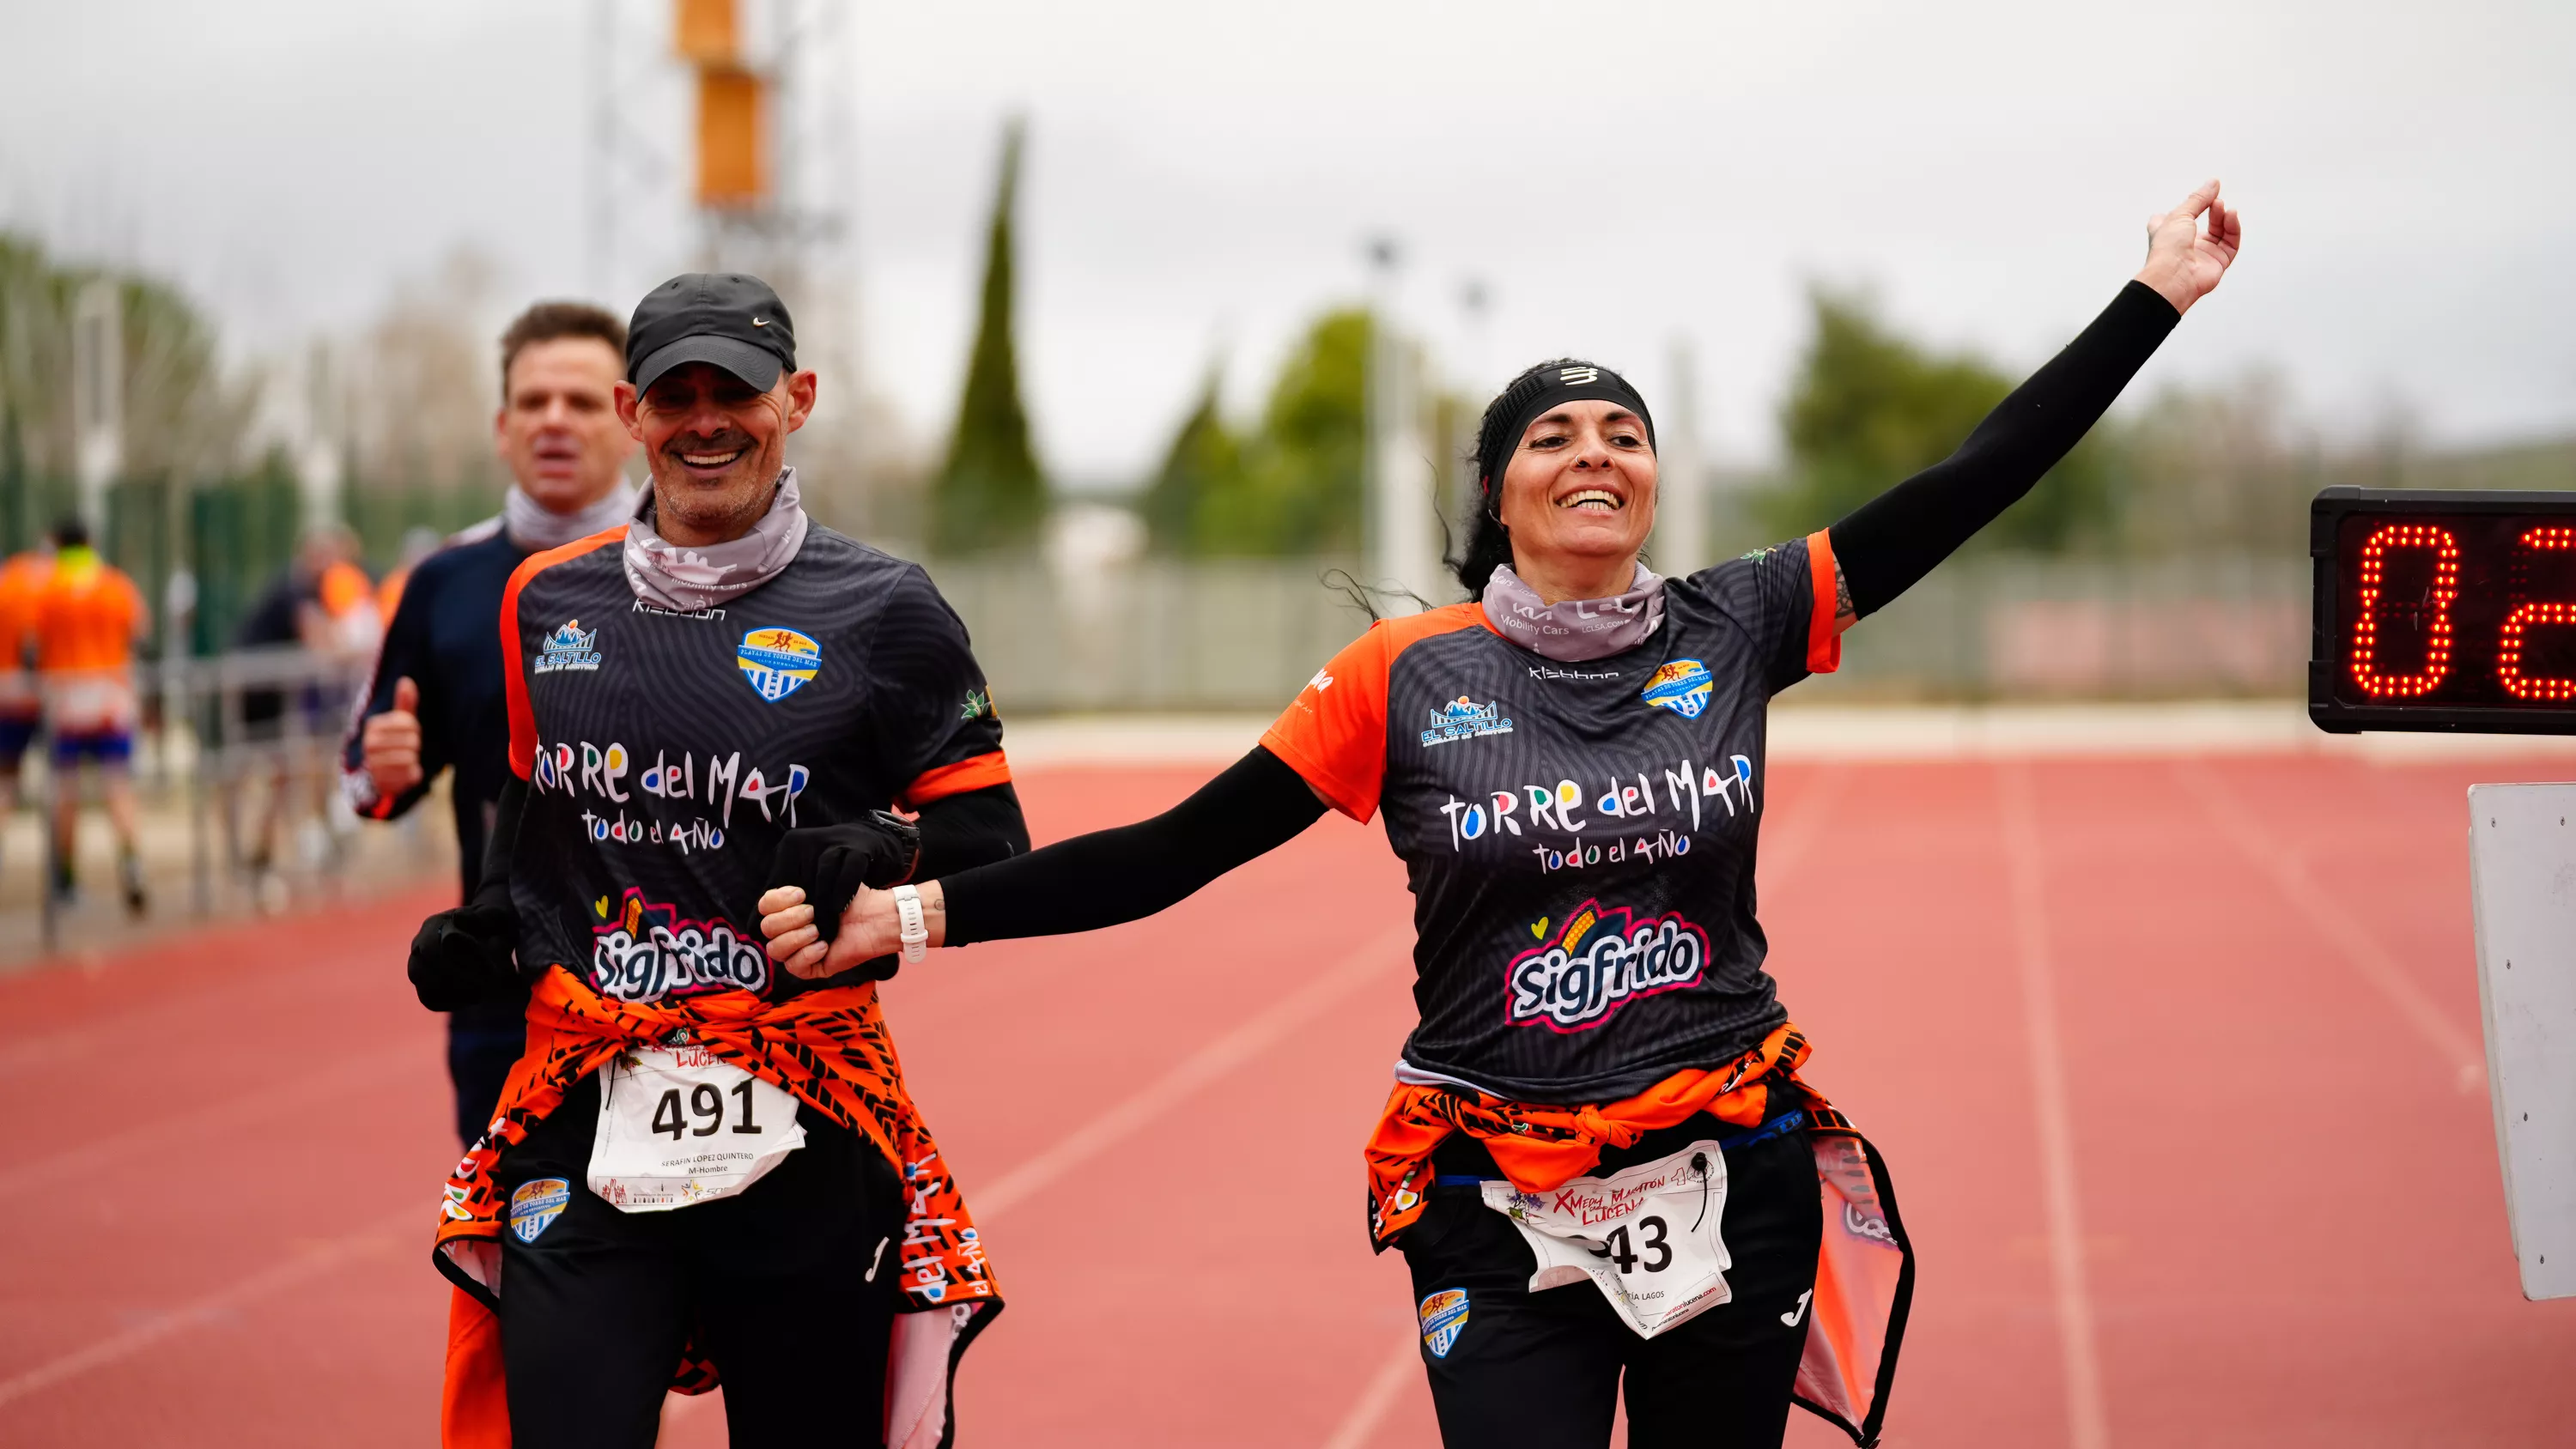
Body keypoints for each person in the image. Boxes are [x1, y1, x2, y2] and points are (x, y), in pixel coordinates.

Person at [761, 181, 2245, 1447]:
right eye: (1554, 436)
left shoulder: (1744, 620)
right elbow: (1172, 853)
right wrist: (914, 911)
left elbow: (1972, 481)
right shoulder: (1403, 677)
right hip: (1487, 1180)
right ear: (1500, 489)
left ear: (1655, 479)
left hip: (1730, 1164)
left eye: (1622, 431)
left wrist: (2154, 294)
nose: (1593, 450)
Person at [408, 272, 1030, 1449]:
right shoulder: (546, 601)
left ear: (794, 399)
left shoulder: (886, 606)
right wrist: (489, 918)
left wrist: (883, 845)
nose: (706, 420)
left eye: (734, 391)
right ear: (632, 410)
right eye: (674, 394)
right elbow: (538, 808)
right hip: (589, 1098)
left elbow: (996, 839)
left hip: (800, 1103)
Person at [343, 301, 643, 1148]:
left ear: (629, 420)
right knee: (512, 1264)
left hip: (684, 991)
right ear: (501, 426)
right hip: (504, 993)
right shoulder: (444, 583)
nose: (555, 420)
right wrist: (383, 769)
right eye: (534, 401)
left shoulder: (697, 571)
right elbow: (363, 782)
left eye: (582, 402)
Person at [32, 518, 149, 915]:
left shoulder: (46, 589)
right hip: (110, 698)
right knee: (118, 786)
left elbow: (31, 641)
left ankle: (65, 879)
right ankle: (131, 862)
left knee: (66, 793)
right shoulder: (113, 583)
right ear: (90, 541)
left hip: (65, 703)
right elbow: (139, 628)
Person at [0, 543, 50, 876]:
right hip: (37, 697)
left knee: (7, 779)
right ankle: (63, 880)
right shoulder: (41, 587)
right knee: (61, 780)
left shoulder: (9, 584)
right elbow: (31, 647)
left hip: (7, 695)